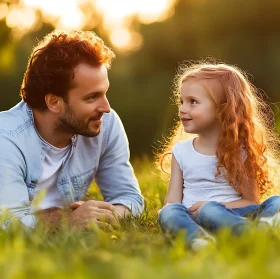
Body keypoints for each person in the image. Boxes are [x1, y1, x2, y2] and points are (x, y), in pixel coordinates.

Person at [0, 30, 144, 230]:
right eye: (92, 97)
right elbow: (8, 225)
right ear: (53, 102)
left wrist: (101, 217)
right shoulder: (6, 139)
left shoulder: (106, 123)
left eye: (104, 93)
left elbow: (130, 199)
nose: (106, 108)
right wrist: (69, 221)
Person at [157, 61, 280, 249]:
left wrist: (214, 205)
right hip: (192, 217)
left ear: (222, 109)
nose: (182, 109)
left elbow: (250, 201)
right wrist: (173, 211)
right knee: (167, 213)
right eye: (181, 101)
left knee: (275, 201)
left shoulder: (241, 151)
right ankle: (201, 240)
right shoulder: (181, 151)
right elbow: (172, 202)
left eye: (193, 102)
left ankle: (254, 229)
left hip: (232, 214)